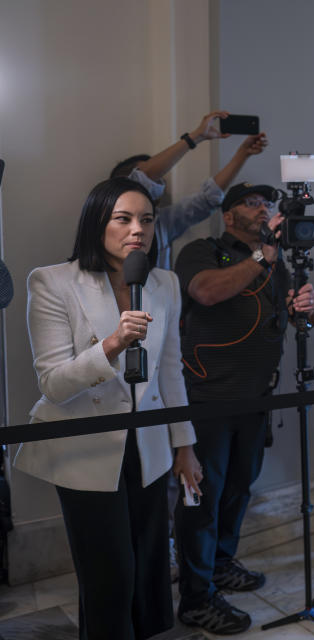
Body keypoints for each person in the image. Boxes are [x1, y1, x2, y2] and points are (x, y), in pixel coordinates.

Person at [16, 177, 202, 640]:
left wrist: (185, 445)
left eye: (146, 219)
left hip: (150, 446)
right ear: (97, 222)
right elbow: (53, 384)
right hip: (85, 447)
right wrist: (114, 344)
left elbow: (171, 372)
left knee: (149, 568)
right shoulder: (53, 281)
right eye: (123, 218)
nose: (137, 229)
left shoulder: (166, 283)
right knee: (110, 575)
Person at [173, 183, 314, 634]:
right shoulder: (203, 251)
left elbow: (292, 320)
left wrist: (304, 311)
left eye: (268, 204)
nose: (264, 210)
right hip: (208, 400)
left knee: (239, 487)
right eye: (252, 203)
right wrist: (261, 259)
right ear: (228, 214)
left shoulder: (274, 263)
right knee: (202, 498)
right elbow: (206, 292)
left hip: (256, 399)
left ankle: (220, 565)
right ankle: (196, 598)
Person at [110, 110, 269, 269]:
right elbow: (144, 180)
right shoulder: (103, 220)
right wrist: (196, 136)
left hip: (155, 293)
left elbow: (208, 199)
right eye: (252, 203)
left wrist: (243, 153)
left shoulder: (162, 223)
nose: (158, 188)